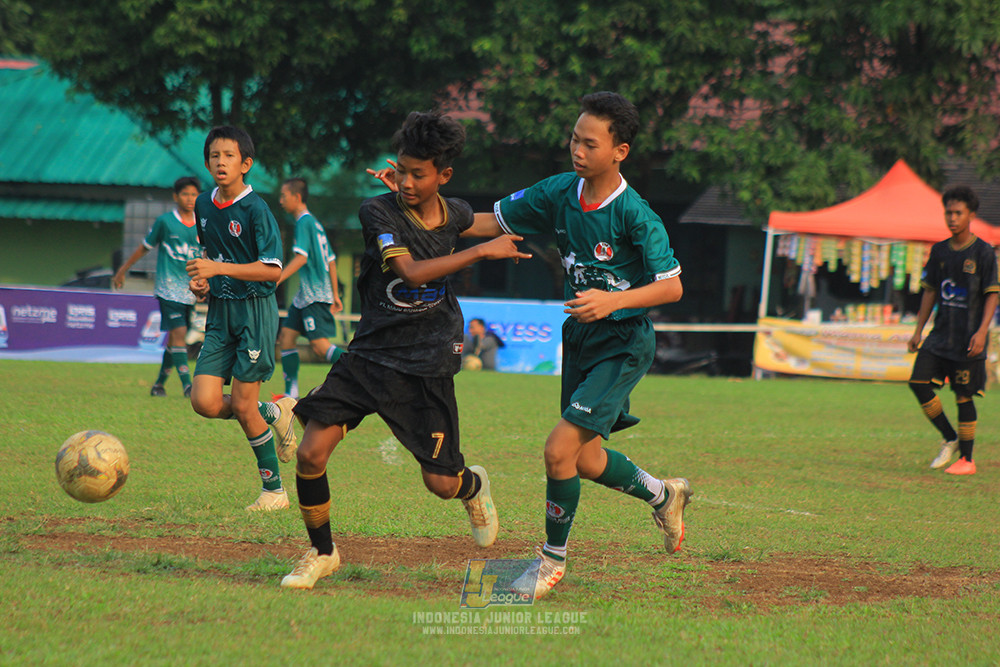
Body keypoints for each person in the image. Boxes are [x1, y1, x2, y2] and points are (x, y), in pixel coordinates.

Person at [279, 111, 531, 590]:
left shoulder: (452, 212)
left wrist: (546, 212)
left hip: (427, 361)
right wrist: (482, 251)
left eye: (418, 174)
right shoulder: (378, 211)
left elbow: (478, 221)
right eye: (401, 170)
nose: (406, 182)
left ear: (443, 176)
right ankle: (322, 552)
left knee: (440, 485)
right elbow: (410, 273)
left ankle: (472, 485)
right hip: (370, 356)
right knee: (311, 453)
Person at [484, 92, 690, 599]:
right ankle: (664, 495)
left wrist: (613, 301)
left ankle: (551, 563)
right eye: (574, 138)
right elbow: (488, 221)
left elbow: (671, 286)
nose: (577, 149)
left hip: (623, 343)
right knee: (585, 459)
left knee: (558, 450)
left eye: (589, 143)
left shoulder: (636, 214)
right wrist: (418, 211)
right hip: (581, 337)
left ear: (619, 151)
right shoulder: (559, 192)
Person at [185, 125, 298, 511]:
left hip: (254, 313)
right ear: (206, 161)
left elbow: (272, 271)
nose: (221, 161)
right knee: (203, 401)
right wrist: (203, 283)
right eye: (215, 155)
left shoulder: (256, 209)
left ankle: (274, 492)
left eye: (229, 155)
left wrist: (217, 268)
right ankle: (278, 410)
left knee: (244, 408)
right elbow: (211, 260)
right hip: (219, 313)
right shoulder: (203, 205)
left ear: (245, 164)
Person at [907, 186, 999, 475]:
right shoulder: (939, 251)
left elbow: (992, 294)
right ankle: (950, 437)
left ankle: (967, 461)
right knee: (918, 383)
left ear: (970, 214)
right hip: (939, 335)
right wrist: (918, 330)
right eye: (948, 212)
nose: (952, 218)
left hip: (968, 337)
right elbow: (930, 292)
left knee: (963, 395)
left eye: (958, 213)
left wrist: (983, 331)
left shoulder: (984, 252)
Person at [113, 176, 201, 397]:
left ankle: (159, 384)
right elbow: (144, 248)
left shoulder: (203, 223)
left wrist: (205, 280)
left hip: (190, 290)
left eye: (193, 194)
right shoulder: (165, 221)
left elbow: (206, 255)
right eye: (185, 194)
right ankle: (187, 386)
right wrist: (123, 270)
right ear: (175, 196)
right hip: (167, 289)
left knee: (175, 339)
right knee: (179, 333)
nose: (190, 198)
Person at [276, 178, 345, 398]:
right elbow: (331, 260)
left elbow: (301, 258)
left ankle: (359, 370)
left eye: (284, 196)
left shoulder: (303, 222)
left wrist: (276, 278)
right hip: (305, 296)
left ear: (296, 197)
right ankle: (291, 393)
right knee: (286, 336)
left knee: (319, 346)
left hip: (314, 295)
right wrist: (335, 293)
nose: (280, 200)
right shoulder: (315, 223)